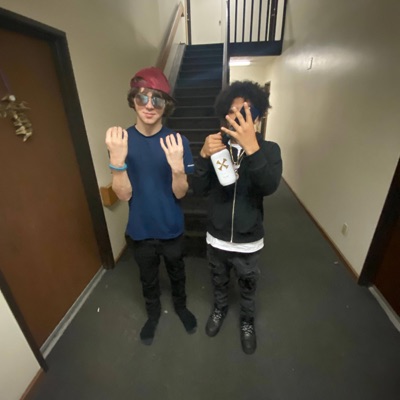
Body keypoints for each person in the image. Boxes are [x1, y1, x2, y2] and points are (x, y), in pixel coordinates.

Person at [105, 67, 197, 345]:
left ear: (166, 104)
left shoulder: (178, 142)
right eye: (142, 98)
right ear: (133, 100)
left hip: (172, 227)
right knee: (147, 278)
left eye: (157, 99)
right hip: (140, 229)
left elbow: (181, 193)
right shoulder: (121, 141)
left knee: (177, 272)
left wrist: (177, 168)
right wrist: (117, 162)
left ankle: (181, 306)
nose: (149, 106)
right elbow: (123, 195)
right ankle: (153, 314)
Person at [191, 80, 282, 354]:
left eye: (246, 111)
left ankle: (247, 321)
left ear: (258, 116)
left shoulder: (270, 149)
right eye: (231, 111)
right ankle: (219, 308)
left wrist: (252, 149)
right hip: (217, 236)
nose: (237, 116)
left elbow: (269, 186)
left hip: (248, 240)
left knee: (248, 285)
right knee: (218, 279)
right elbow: (199, 188)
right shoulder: (217, 147)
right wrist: (203, 156)